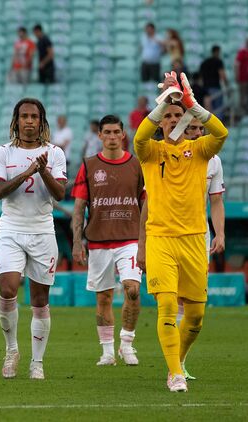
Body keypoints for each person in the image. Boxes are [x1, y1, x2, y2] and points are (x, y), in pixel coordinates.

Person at [134, 71, 228, 392]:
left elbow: (222, 133)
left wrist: (191, 103)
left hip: (194, 239)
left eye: (178, 115)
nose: (173, 119)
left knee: (196, 316)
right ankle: (175, 373)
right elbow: (139, 138)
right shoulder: (151, 152)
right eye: (168, 116)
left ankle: (179, 360)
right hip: (161, 239)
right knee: (166, 305)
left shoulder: (200, 150)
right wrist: (164, 103)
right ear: (161, 120)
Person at [0, 98, 67, 380]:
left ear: (42, 121)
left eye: (34, 116)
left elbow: (60, 194)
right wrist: (26, 173)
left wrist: (43, 170)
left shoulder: (54, 153)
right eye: (24, 116)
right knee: (8, 288)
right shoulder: (3, 152)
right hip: (11, 229)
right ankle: (12, 351)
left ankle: (37, 362)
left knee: (40, 299)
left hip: (42, 231)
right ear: (16, 121)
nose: (29, 121)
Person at [72, 115, 145, 367]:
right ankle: (107, 352)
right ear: (100, 135)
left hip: (130, 238)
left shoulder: (137, 164)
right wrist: (77, 241)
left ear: (123, 135)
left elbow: (146, 205)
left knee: (132, 290)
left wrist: (146, 240)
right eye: (107, 132)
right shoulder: (89, 165)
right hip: (98, 241)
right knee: (103, 297)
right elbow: (79, 207)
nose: (112, 137)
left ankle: (127, 343)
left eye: (116, 132)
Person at [200, 45, 229, 117]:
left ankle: (210, 123)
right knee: (218, 109)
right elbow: (221, 74)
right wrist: (227, 84)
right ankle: (218, 122)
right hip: (215, 87)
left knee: (208, 110)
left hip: (205, 89)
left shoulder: (204, 62)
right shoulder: (218, 61)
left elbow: (200, 78)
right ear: (217, 52)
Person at [236, 38, 248, 113]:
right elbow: (237, 65)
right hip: (243, 78)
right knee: (243, 96)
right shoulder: (242, 52)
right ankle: (243, 112)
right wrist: (237, 75)